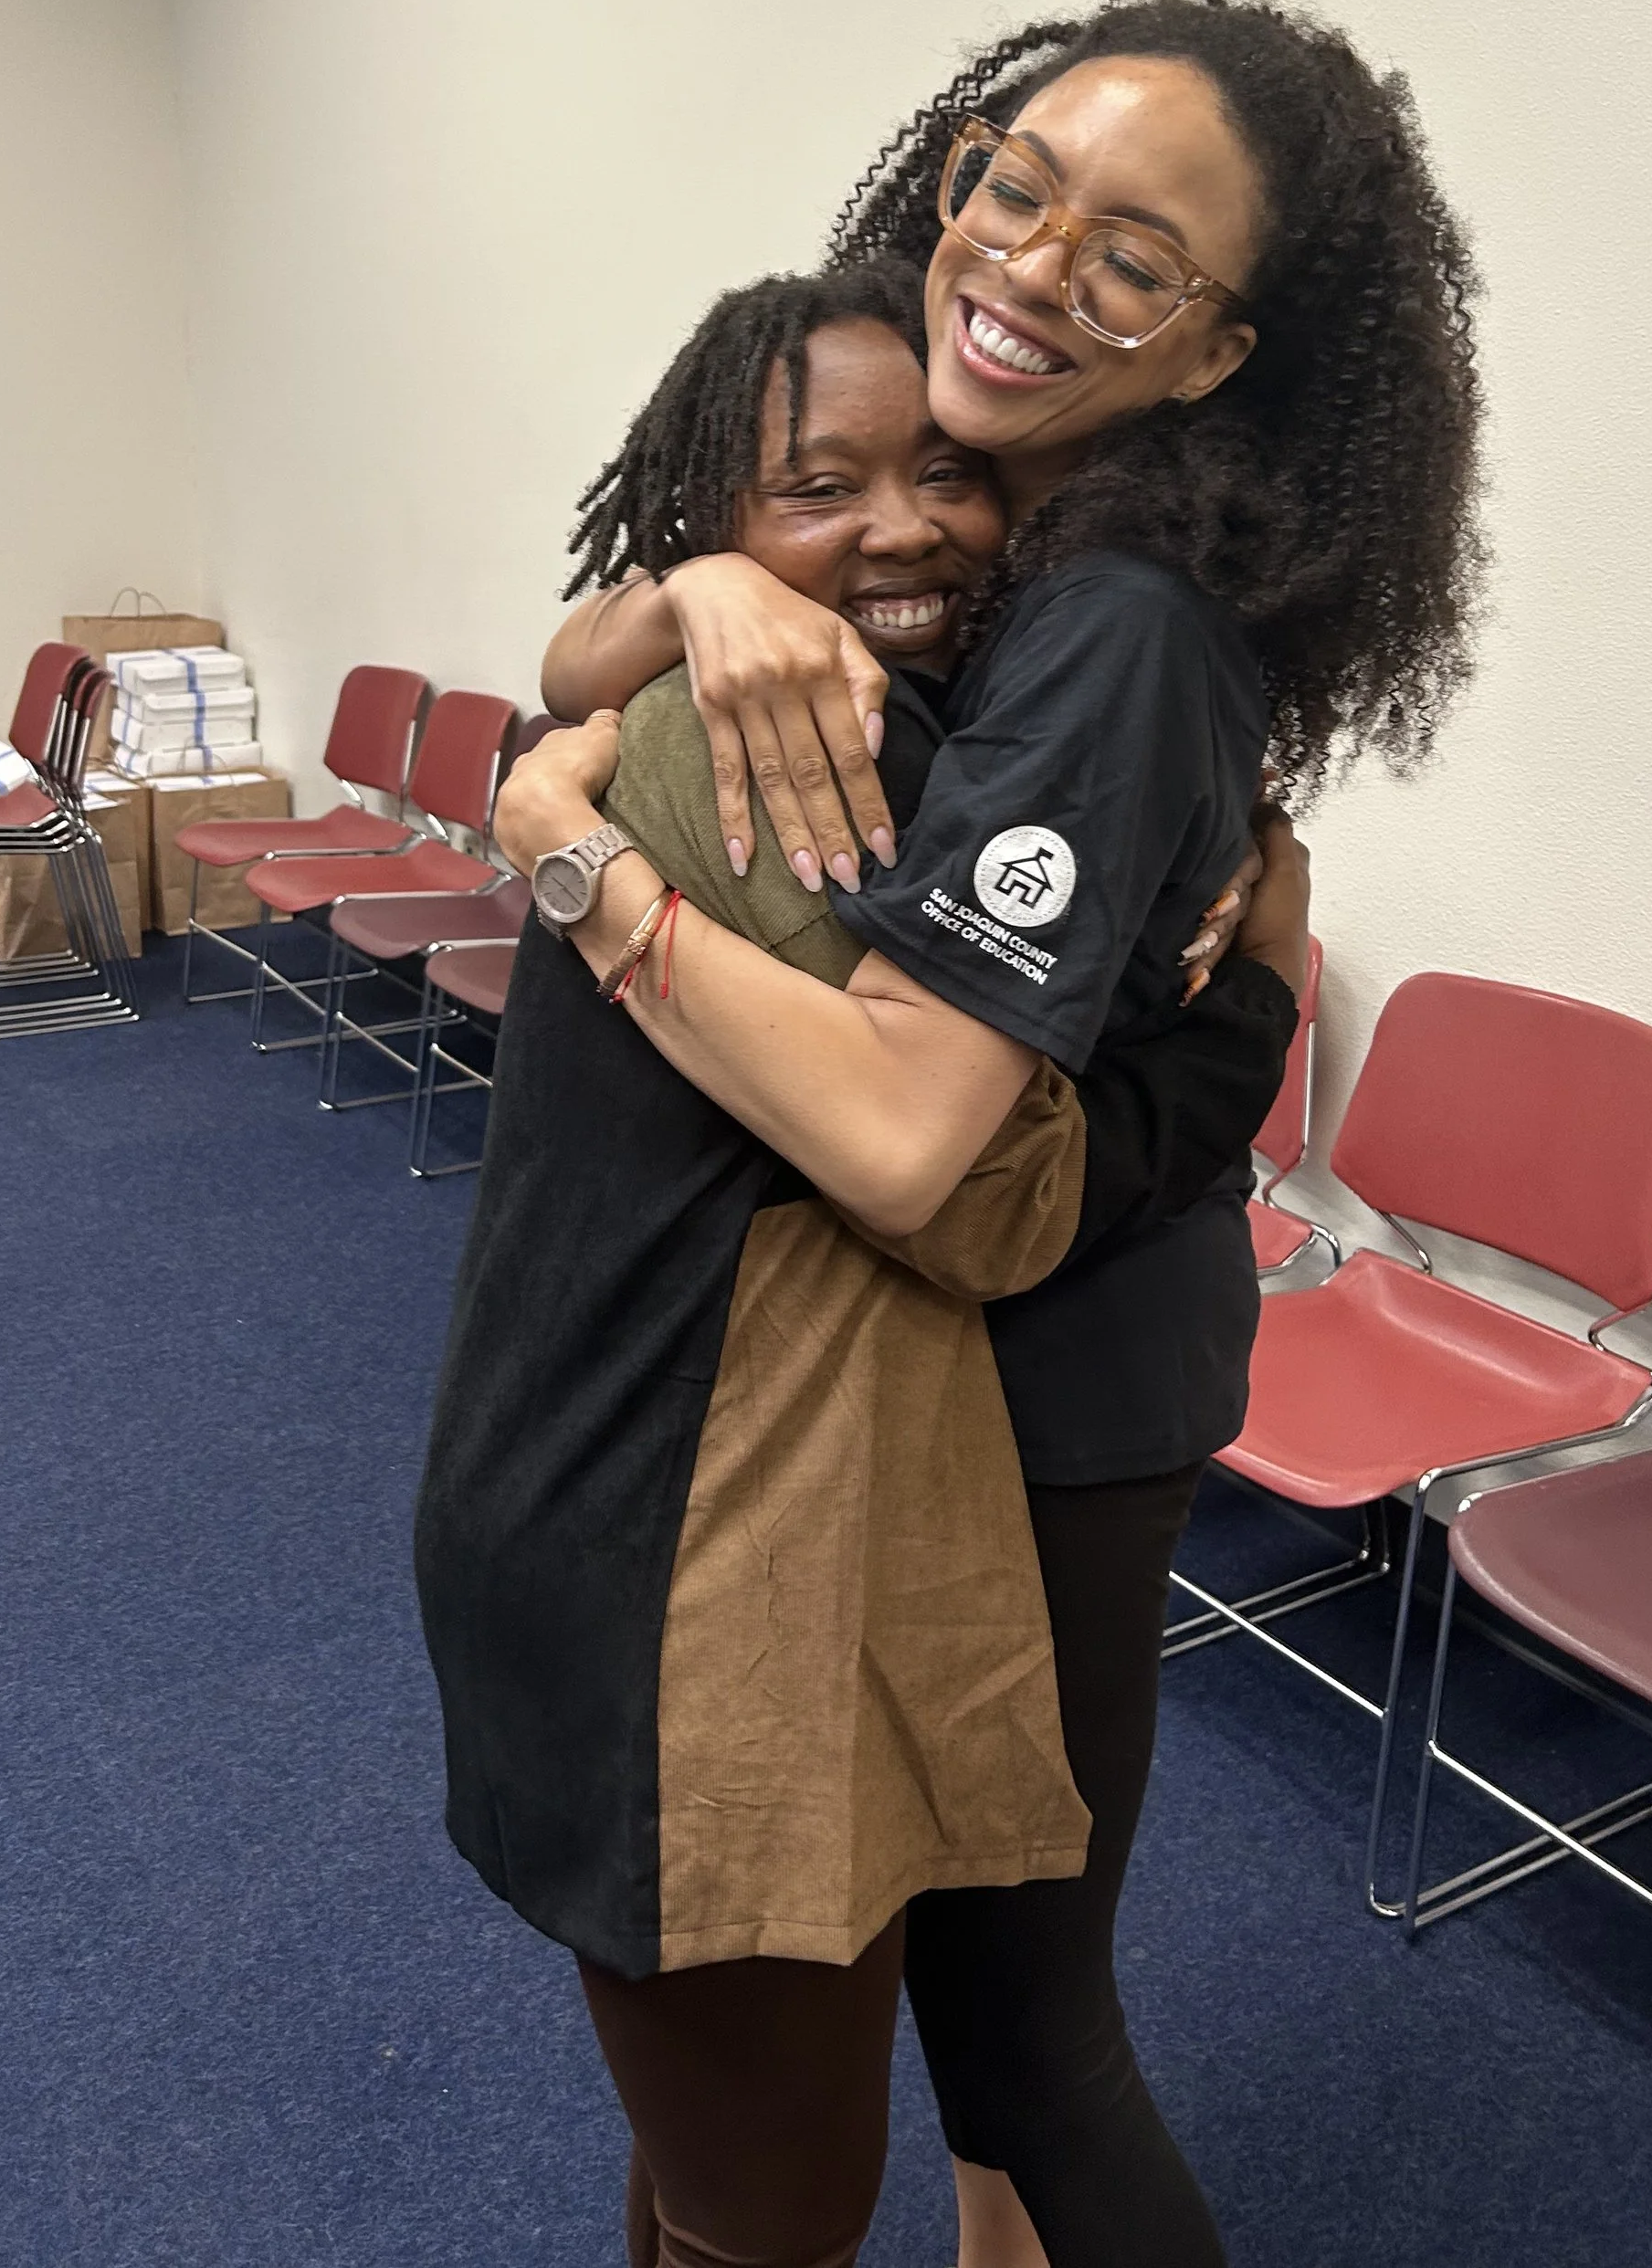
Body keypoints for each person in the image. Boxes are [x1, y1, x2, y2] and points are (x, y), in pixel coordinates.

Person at [524, 0, 1485, 2268]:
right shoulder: (1003, 540)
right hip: (968, 1347)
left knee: (1021, 2023)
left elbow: (904, 1142)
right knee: (986, 2020)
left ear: (1215, 346)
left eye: (1130, 259)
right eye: (1014, 183)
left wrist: (581, 871)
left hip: (1054, 1363)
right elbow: (590, 637)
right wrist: (681, 608)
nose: (1035, 263)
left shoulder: (1114, 621)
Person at [416, 256, 1309, 2268]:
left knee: (724, 2153)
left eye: (946, 474)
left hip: (624, 1479)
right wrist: (1253, 996)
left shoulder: (838, 704)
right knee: (787, 2200)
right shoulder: (776, 754)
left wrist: (660, 636)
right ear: (713, 516)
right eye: (817, 486)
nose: (901, 524)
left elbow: (595, 678)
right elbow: (964, 1183)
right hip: (672, 1554)